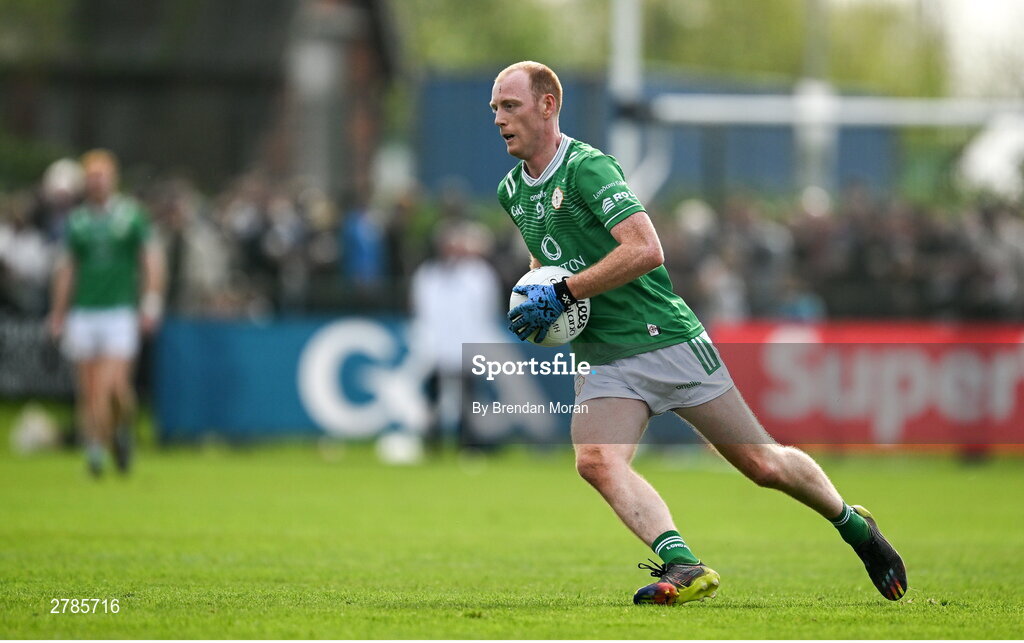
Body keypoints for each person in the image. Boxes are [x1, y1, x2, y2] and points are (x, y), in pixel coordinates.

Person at [492, 61, 907, 605]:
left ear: (547, 106)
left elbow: (645, 250)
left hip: (664, 339)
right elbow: (544, 260)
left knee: (763, 464)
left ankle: (853, 524)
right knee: (595, 460)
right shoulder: (511, 190)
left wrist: (567, 292)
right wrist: (540, 302)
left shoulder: (587, 169)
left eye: (511, 106)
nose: (499, 118)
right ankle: (683, 564)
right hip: (603, 356)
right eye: (496, 109)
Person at [47, 150, 165, 477]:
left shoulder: (130, 216)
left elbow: (151, 259)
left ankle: (122, 429)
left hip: (118, 312)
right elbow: (67, 269)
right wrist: (58, 313)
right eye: (92, 177)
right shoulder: (78, 221)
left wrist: (150, 302)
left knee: (113, 388)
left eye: (102, 176)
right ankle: (96, 452)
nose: (97, 183)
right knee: (89, 389)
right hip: (85, 312)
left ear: (113, 179)